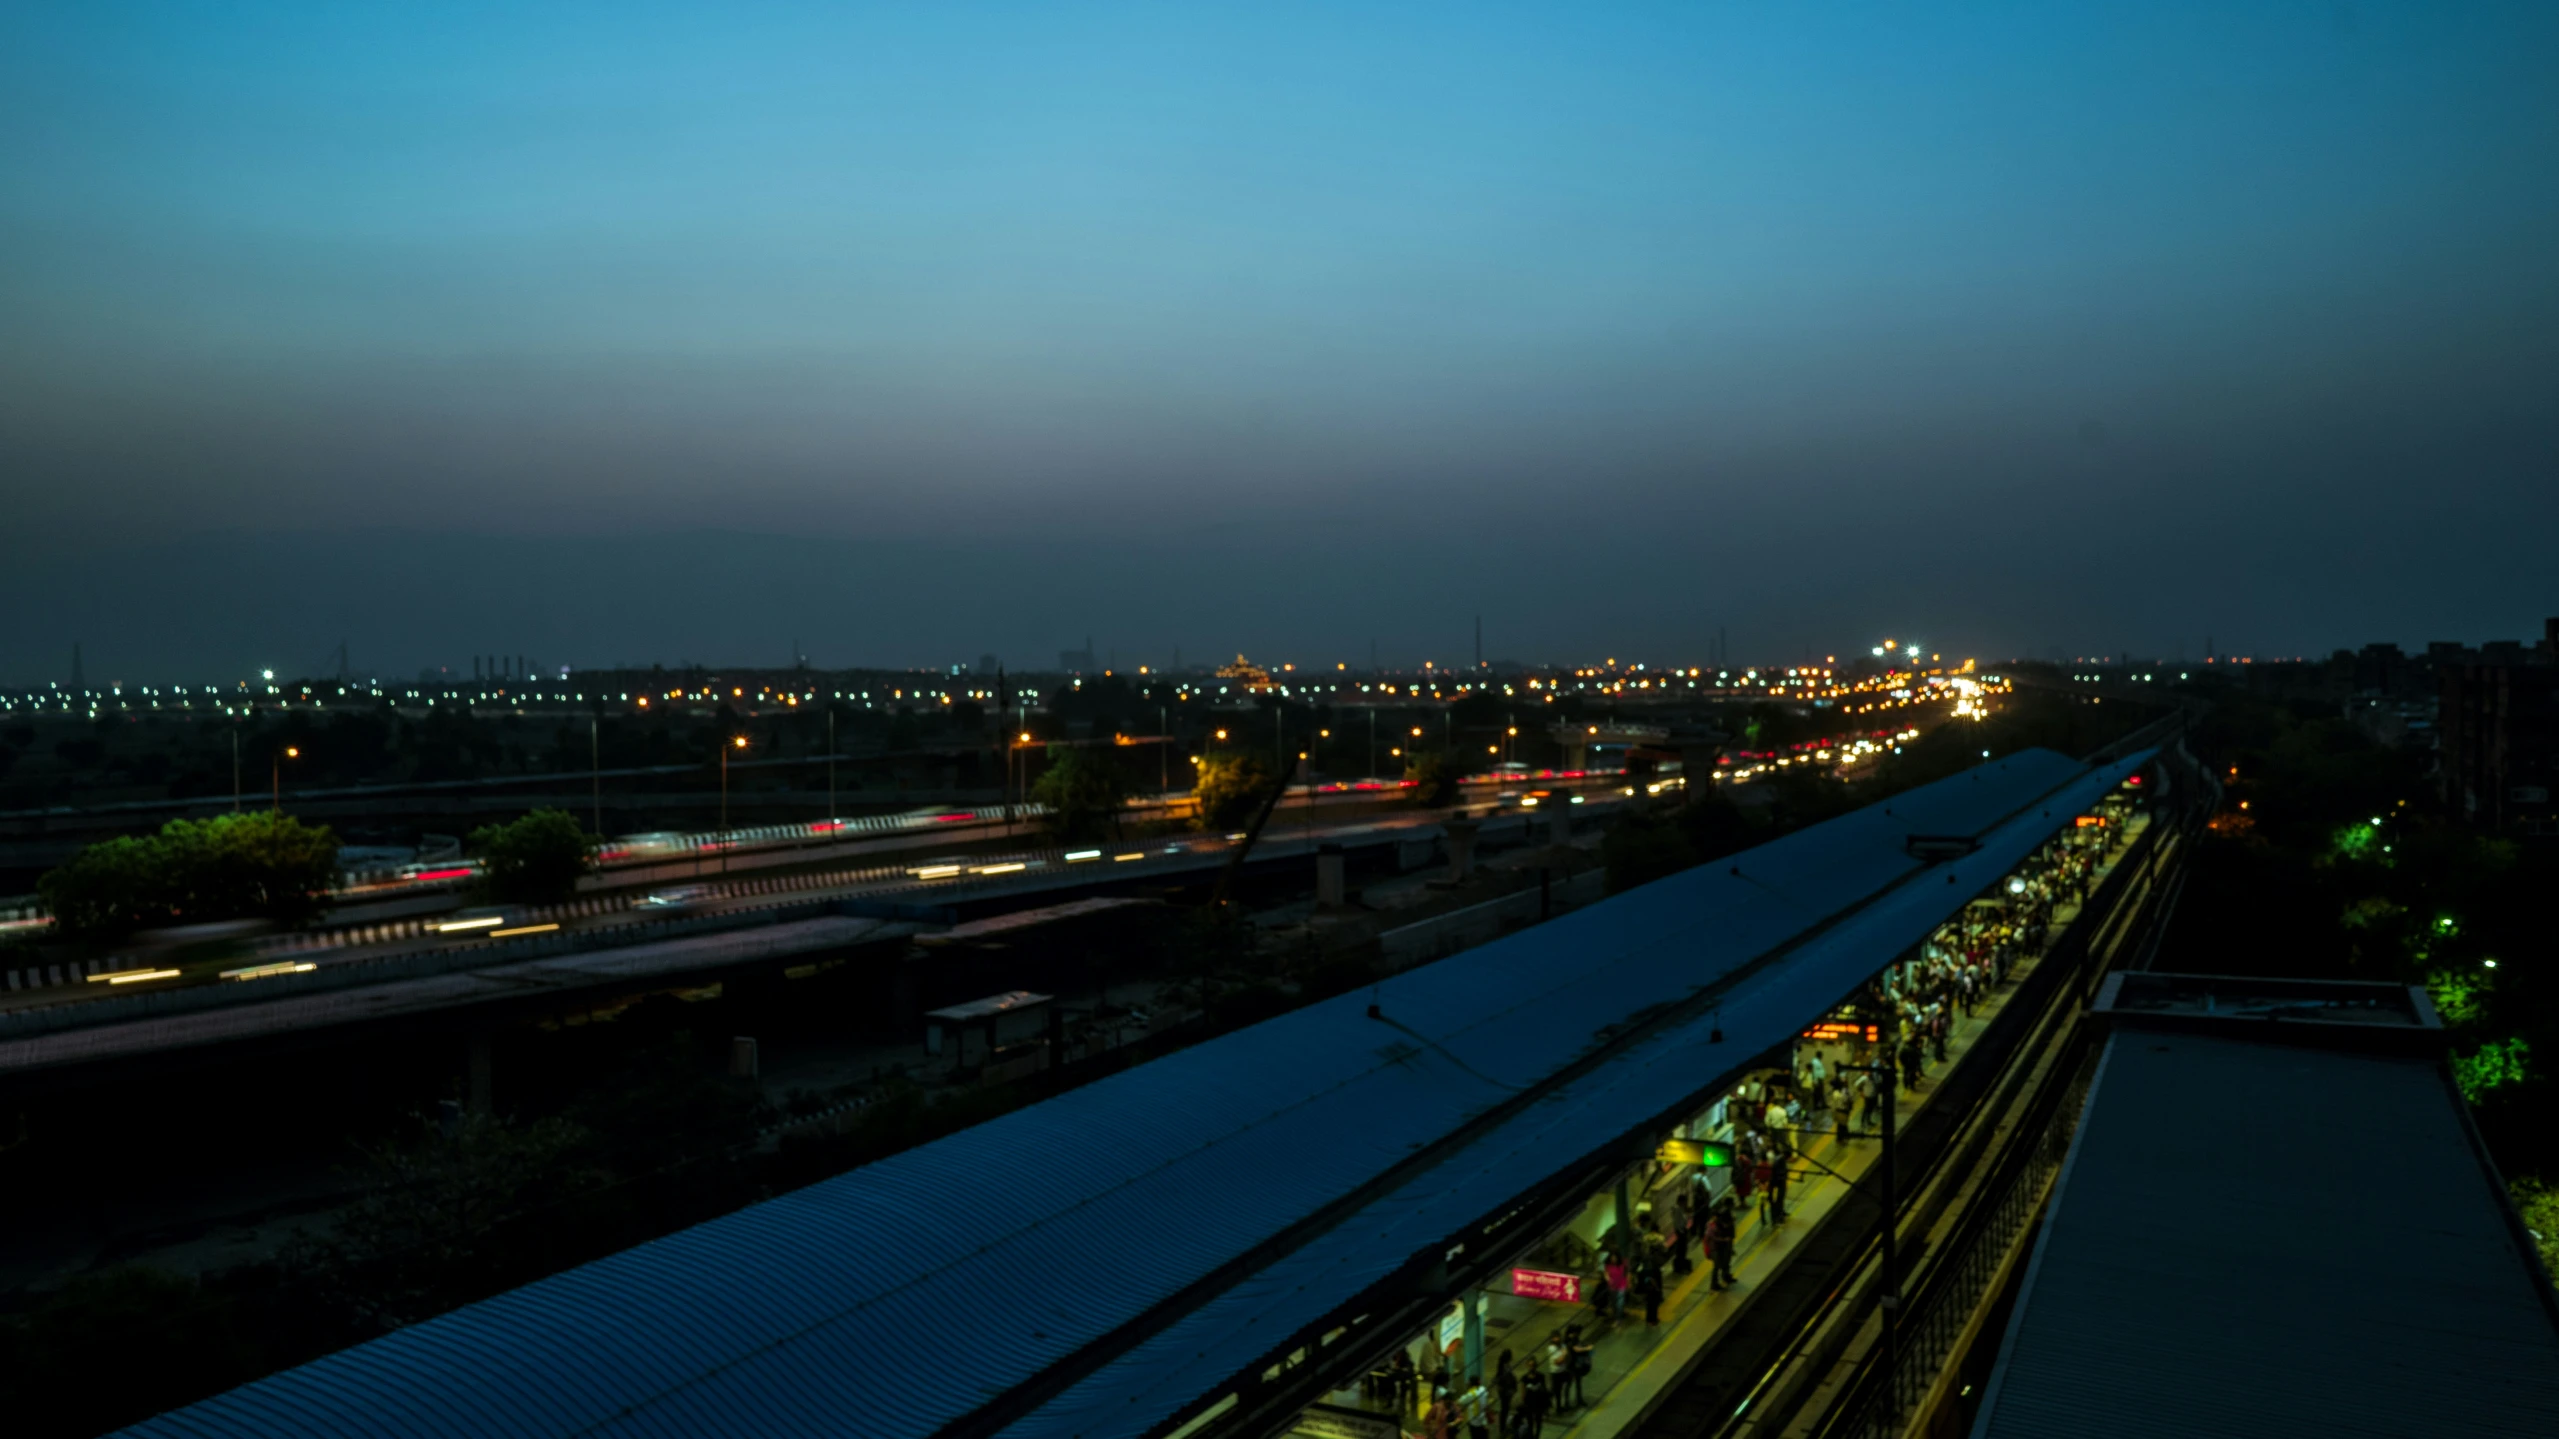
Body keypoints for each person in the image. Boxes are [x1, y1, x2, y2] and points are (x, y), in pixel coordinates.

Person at [1637, 1253, 1666, 1326]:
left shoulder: (1643, 1270)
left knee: (1651, 1305)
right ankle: (1652, 1319)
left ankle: (1651, 1319)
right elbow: (1659, 1280)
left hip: (1649, 1290)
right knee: (1653, 1305)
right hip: (1654, 1290)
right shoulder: (1655, 1269)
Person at [1493, 1351, 1516, 1436]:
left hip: (1506, 1391)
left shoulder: (1505, 1366)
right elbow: (1505, 1379)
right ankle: (1502, 1429)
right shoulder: (1503, 1367)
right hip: (1505, 1392)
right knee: (1504, 1409)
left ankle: (1503, 1427)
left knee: (1505, 1409)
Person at [1603, 1254, 1631, 1322]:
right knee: (1613, 1303)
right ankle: (1615, 1315)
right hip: (1612, 1286)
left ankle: (1618, 1319)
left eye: (1615, 1258)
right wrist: (1608, 1279)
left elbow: (1628, 1273)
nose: (1613, 1259)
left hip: (1621, 1285)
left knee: (1619, 1303)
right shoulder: (1608, 1265)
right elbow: (1605, 1273)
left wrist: (1628, 1282)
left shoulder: (1623, 1263)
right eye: (1612, 1258)